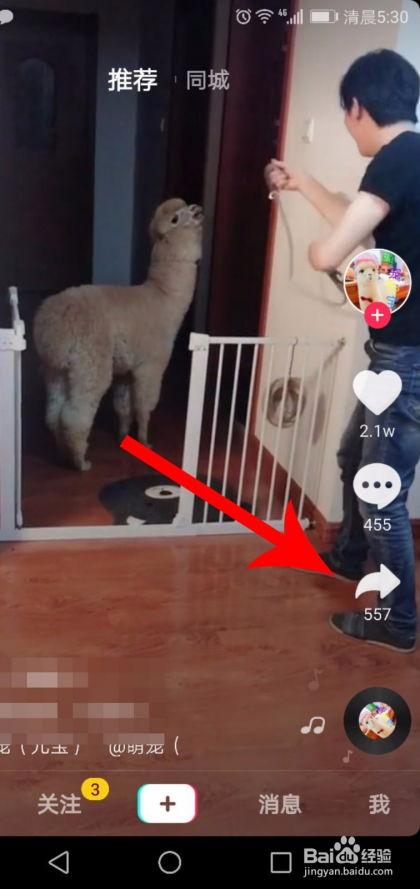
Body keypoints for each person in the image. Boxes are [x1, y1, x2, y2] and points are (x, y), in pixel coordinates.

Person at [266, 49, 420, 653]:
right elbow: (359, 220)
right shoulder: (409, 160)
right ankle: (352, 557)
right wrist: (303, 184)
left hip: (406, 360)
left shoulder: (395, 161)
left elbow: (333, 251)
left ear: (357, 107)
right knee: (354, 457)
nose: (348, 126)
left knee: (383, 495)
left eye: (346, 116)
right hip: (398, 357)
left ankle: (399, 622)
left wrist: (317, 255)